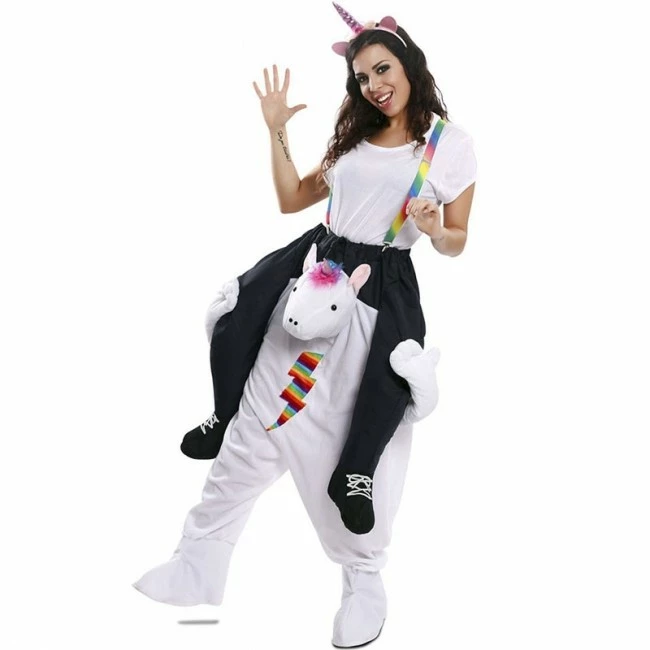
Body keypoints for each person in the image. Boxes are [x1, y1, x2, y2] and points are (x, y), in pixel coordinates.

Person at [133, 4, 476, 647]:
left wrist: (435, 230)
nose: (374, 85)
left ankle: (363, 581)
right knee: (258, 416)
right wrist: (276, 131)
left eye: (383, 69)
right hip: (312, 280)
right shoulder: (353, 137)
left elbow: (457, 239)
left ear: (409, 64)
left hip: (375, 297)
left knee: (343, 432)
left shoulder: (447, 145)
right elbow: (293, 198)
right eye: (362, 76)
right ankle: (198, 561)